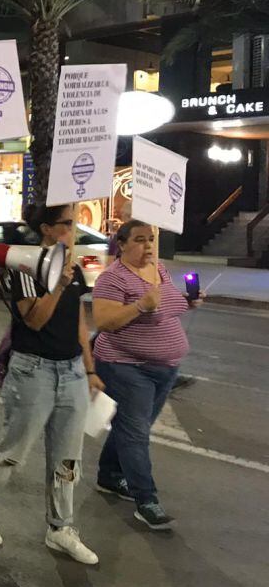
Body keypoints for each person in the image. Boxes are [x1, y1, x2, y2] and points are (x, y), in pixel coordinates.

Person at [0, 204, 102, 564]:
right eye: (66, 224)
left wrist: (89, 369)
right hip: (33, 370)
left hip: (70, 370)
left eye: (73, 224)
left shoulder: (73, 267)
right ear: (47, 229)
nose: (73, 230)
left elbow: (78, 324)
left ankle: (60, 527)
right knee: (13, 450)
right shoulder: (24, 265)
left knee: (68, 458)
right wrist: (60, 284)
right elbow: (35, 319)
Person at [91, 219, 199, 531]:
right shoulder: (112, 279)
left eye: (150, 239)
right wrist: (139, 305)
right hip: (127, 367)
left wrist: (189, 300)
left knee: (131, 429)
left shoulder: (158, 269)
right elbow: (105, 321)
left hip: (165, 368)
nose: (148, 246)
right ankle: (146, 500)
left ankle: (110, 476)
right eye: (139, 240)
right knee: (136, 433)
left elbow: (166, 307)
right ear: (121, 244)